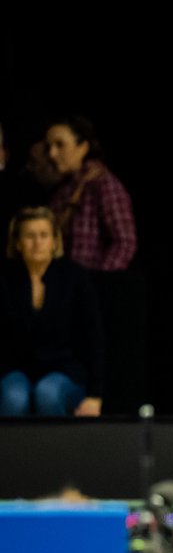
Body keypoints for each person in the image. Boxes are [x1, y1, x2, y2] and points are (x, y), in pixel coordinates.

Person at [1, 206, 104, 416]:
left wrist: (95, 395)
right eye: (30, 236)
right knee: (14, 397)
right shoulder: (5, 279)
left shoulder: (74, 277)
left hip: (63, 369)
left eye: (44, 235)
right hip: (15, 368)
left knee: (47, 394)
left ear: (55, 241)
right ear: (18, 243)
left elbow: (94, 337)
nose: (37, 242)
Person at [45, 115, 137, 271]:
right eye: (49, 147)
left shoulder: (103, 184)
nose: (52, 153)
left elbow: (124, 242)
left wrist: (99, 281)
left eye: (60, 145)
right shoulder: (62, 190)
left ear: (83, 147)